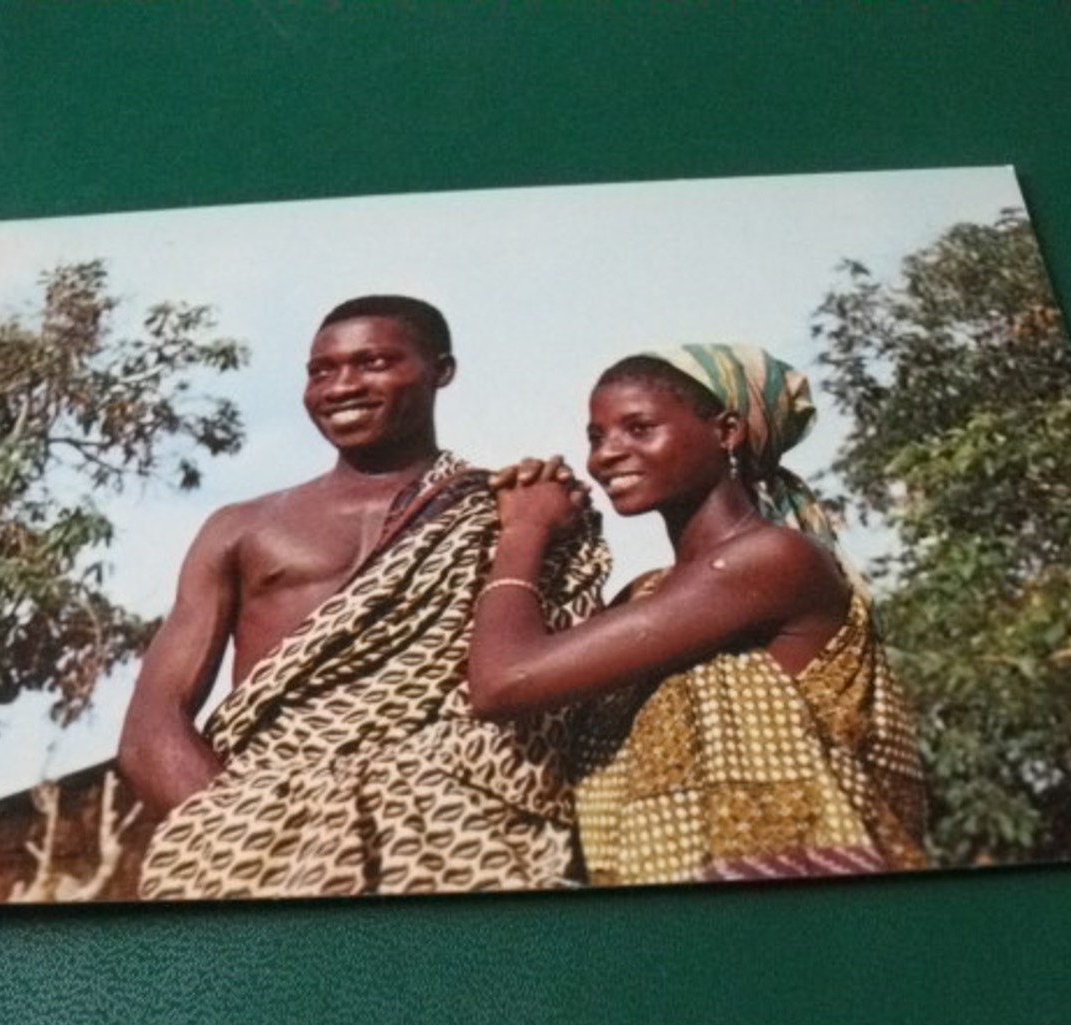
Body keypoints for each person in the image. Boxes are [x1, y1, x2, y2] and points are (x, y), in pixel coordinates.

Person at [118, 296, 608, 899]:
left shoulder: (515, 509)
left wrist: (528, 531)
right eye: (320, 371)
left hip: (456, 833)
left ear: (441, 370)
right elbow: (150, 727)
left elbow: (536, 703)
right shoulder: (240, 527)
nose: (342, 387)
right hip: (240, 841)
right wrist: (243, 827)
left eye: (373, 362)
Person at [469, 344, 927, 887]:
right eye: (596, 437)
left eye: (638, 429)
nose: (605, 455)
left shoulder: (773, 560)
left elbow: (503, 681)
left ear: (726, 431)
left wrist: (525, 530)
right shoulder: (646, 593)